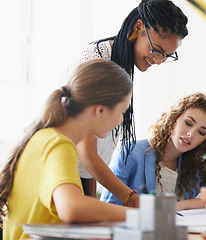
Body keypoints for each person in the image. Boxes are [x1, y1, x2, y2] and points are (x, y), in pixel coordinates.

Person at [0, 59, 133, 240]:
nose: (121, 120)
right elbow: (71, 208)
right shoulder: (58, 144)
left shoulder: (44, 138)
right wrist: (138, 216)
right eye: (122, 111)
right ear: (101, 110)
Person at [66, 0, 189, 206]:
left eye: (166, 56)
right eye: (157, 49)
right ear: (138, 27)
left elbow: (91, 160)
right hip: (63, 177)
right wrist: (132, 199)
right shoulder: (97, 65)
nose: (158, 61)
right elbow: (87, 153)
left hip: (81, 179)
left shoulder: (120, 64)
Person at [100, 93, 206, 211]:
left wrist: (182, 205)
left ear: (205, 140)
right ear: (174, 118)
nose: (191, 134)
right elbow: (109, 206)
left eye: (201, 132)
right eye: (188, 123)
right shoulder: (131, 152)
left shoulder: (196, 170)